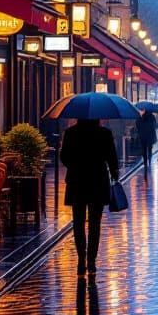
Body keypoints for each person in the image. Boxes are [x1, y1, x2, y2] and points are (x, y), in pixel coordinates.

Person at [59, 119, 119, 278]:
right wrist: (114, 173)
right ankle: (91, 261)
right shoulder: (104, 133)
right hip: (98, 182)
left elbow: (64, 157)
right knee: (95, 223)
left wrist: (76, 164)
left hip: (77, 181)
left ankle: (81, 260)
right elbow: (112, 157)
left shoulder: (71, 133)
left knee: (78, 222)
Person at [136, 109, 157, 175]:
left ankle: (145, 162)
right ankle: (149, 161)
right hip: (150, 136)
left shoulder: (141, 117)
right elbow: (155, 125)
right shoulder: (152, 117)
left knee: (144, 150)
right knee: (150, 149)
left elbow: (137, 124)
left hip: (142, 136)